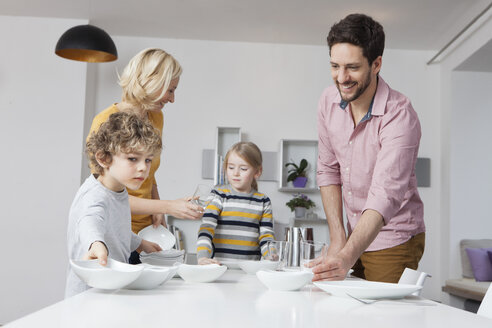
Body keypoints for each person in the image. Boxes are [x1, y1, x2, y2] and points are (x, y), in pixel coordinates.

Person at [312, 13, 425, 283]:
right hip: (353, 232)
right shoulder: (328, 101)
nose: (341, 77)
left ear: (376, 64)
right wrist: (339, 239)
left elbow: (385, 194)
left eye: (352, 67)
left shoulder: (399, 115)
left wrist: (346, 255)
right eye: (334, 66)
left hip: (392, 237)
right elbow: (328, 171)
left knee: (383, 318)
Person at [87, 48, 203, 263]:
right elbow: (107, 195)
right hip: (116, 233)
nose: (172, 99)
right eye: (170, 90)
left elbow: (149, 172)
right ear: (150, 81)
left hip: (148, 232)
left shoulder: (156, 118)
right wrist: (167, 206)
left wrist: (157, 208)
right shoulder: (104, 122)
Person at [66, 112, 163, 298]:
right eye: (133, 159)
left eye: (148, 159)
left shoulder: (118, 189)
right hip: (89, 294)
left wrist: (140, 243)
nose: (143, 167)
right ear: (103, 158)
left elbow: (115, 228)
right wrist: (95, 243)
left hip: (111, 288)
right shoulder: (94, 196)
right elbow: (89, 221)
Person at [196, 142, 275, 264]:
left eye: (243, 168)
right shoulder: (218, 195)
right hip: (219, 267)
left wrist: (271, 255)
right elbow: (206, 229)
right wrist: (203, 257)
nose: (235, 173)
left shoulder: (263, 201)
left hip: (250, 271)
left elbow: (266, 236)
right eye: (231, 167)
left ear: (257, 172)